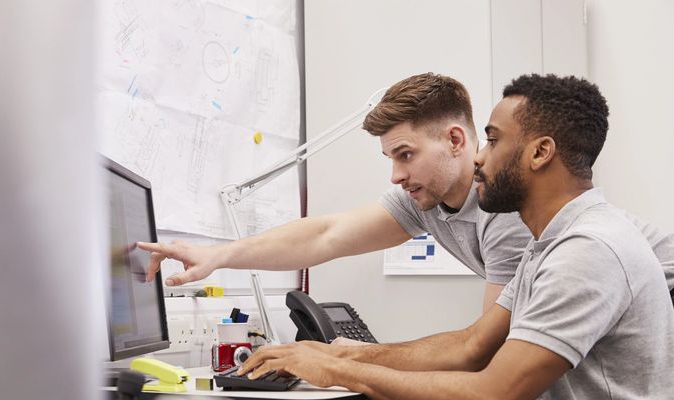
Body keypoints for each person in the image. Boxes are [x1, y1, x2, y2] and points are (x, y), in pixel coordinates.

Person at [236, 74, 674, 399]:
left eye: (492, 140)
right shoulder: (549, 244)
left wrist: (340, 371)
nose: (479, 157)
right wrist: (338, 356)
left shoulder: (586, 251)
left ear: (541, 152)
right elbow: (470, 346)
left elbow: (493, 390)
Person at [138, 72, 674, 313]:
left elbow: (486, 352)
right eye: (391, 159)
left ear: (455, 140)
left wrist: (351, 363)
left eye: (405, 154)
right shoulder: (429, 199)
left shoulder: (507, 210)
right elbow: (326, 236)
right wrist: (219, 255)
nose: (396, 175)